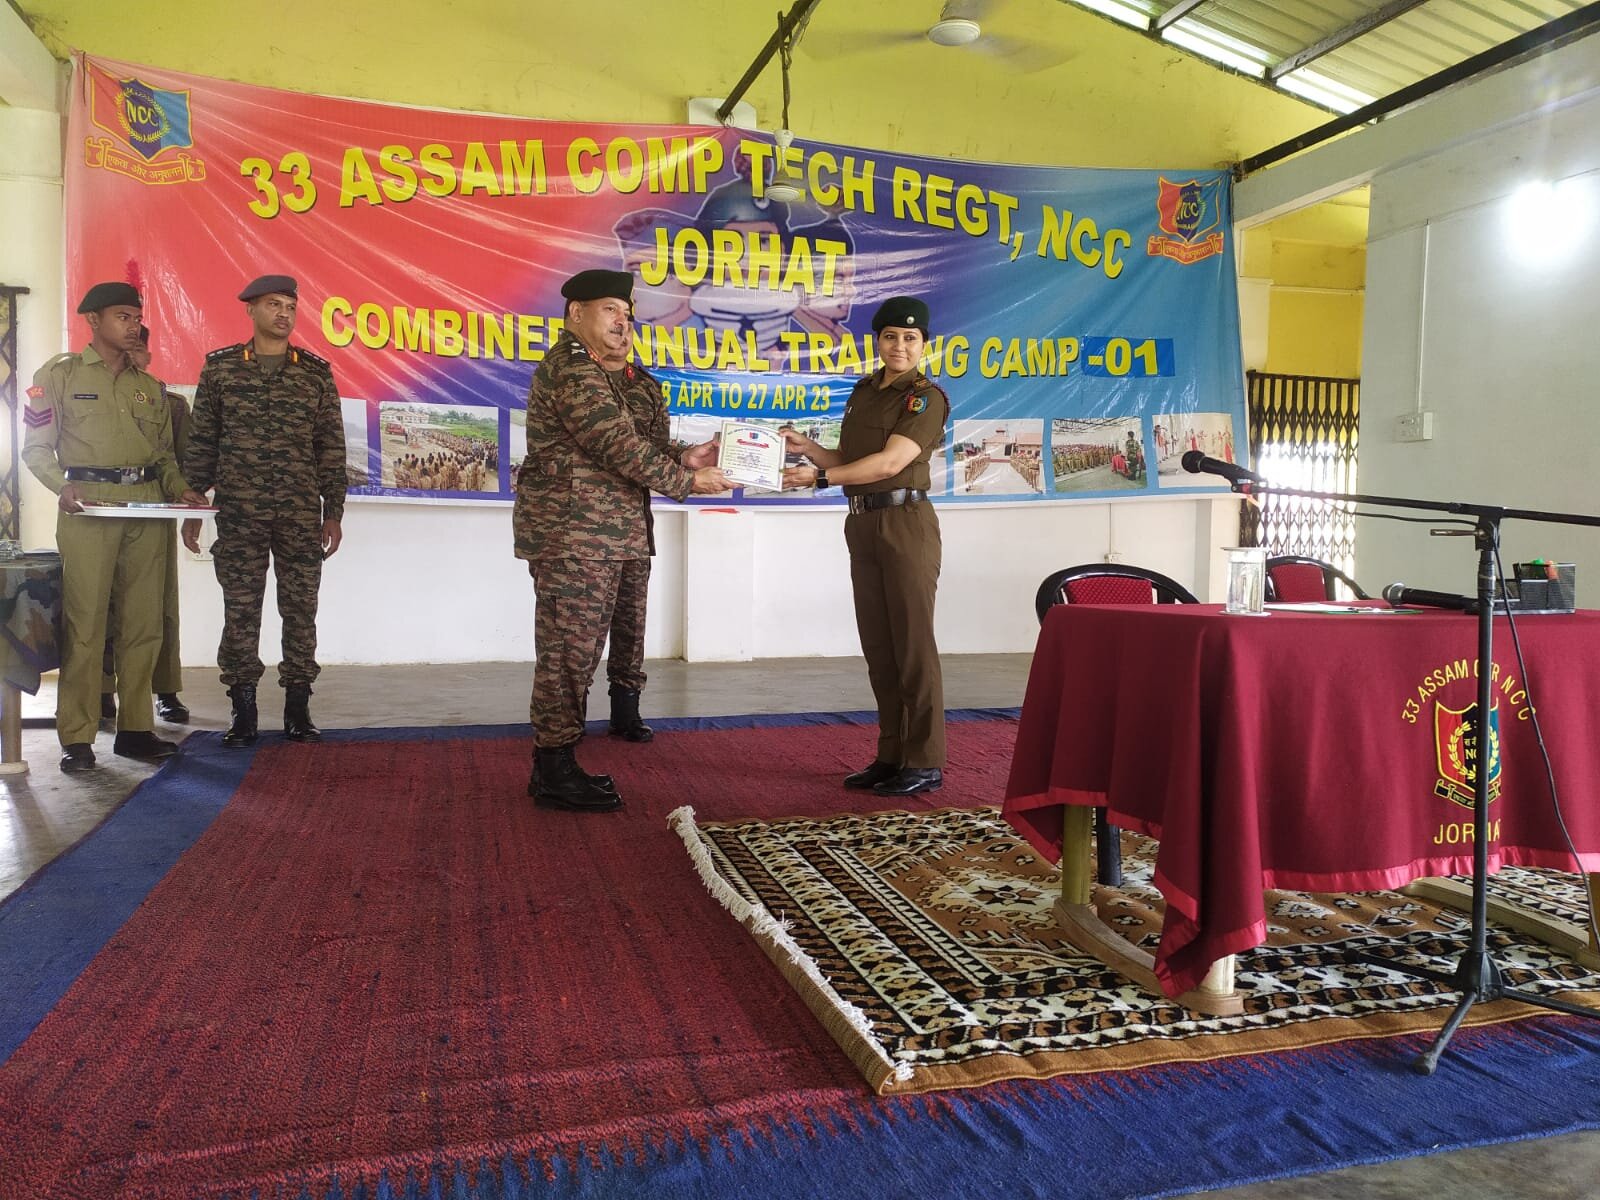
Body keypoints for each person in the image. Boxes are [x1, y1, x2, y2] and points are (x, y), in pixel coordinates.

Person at [513, 268, 730, 813]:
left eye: (627, 312)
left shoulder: (611, 375)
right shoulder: (572, 368)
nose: (622, 321)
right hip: (574, 532)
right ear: (576, 313)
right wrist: (688, 483)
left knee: (581, 649)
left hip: (607, 533)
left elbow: (639, 441)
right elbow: (614, 443)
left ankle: (561, 757)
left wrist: (684, 456)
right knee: (568, 651)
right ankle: (554, 766)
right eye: (610, 309)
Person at [22, 281, 206, 772]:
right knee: (85, 625)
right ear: (93, 320)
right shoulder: (58, 376)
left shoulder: (151, 388)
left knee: (144, 624)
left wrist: (182, 489)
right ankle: (77, 737)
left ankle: (136, 730)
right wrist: (61, 486)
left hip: (146, 508)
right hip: (89, 507)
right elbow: (35, 449)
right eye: (122, 316)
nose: (133, 325)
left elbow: (163, 458)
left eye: (136, 317)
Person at [782, 296, 949, 796]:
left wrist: (818, 479)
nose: (900, 346)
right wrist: (810, 450)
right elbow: (851, 459)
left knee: (912, 646)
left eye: (911, 338)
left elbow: (889, 463)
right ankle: (891, 755)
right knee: (879, 646)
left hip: (905, 524)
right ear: (877, 341)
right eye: (891, 336)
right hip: (862, 523)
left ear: (923, 344)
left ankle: (924, 760)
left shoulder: (924, 399)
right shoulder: (864, 392)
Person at [181, 275, 346, 747]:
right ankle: (243, 708)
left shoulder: (314, 373)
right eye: (274, 305)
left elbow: (330, 447)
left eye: (290, 307)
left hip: (299, 513)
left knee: (301, 610)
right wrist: (193, 504)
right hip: (239, 512)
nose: (283, 314)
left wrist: (333, 511)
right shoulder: (221, 370)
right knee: (240, 611)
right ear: (250, 310)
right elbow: (202, 442)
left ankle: (298, 706)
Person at [102, 323, 191, 725]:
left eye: (136, 350)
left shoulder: (171, 404)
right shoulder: (95, 394)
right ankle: (103, 689)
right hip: (104, 510)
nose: (129, 358)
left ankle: (165, 688)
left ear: (147, 356)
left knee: (160, 607)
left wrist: (189, 511)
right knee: (102, 604)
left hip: (155, 510)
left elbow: (185, 464)